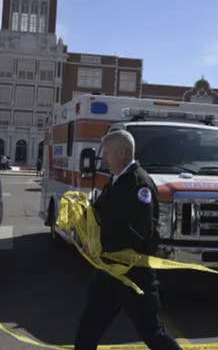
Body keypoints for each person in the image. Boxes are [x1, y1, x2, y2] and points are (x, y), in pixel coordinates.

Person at [74, 130, 181, 350]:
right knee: (88, 330)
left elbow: (141, 233)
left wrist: (102, 241)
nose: (103, 159)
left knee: (152, 333)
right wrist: (83, 223)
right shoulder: (115, 180)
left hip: (134, 275)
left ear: (122, 153)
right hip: (108, 270)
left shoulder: (139, 184)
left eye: (108, 153)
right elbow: (101, 214)